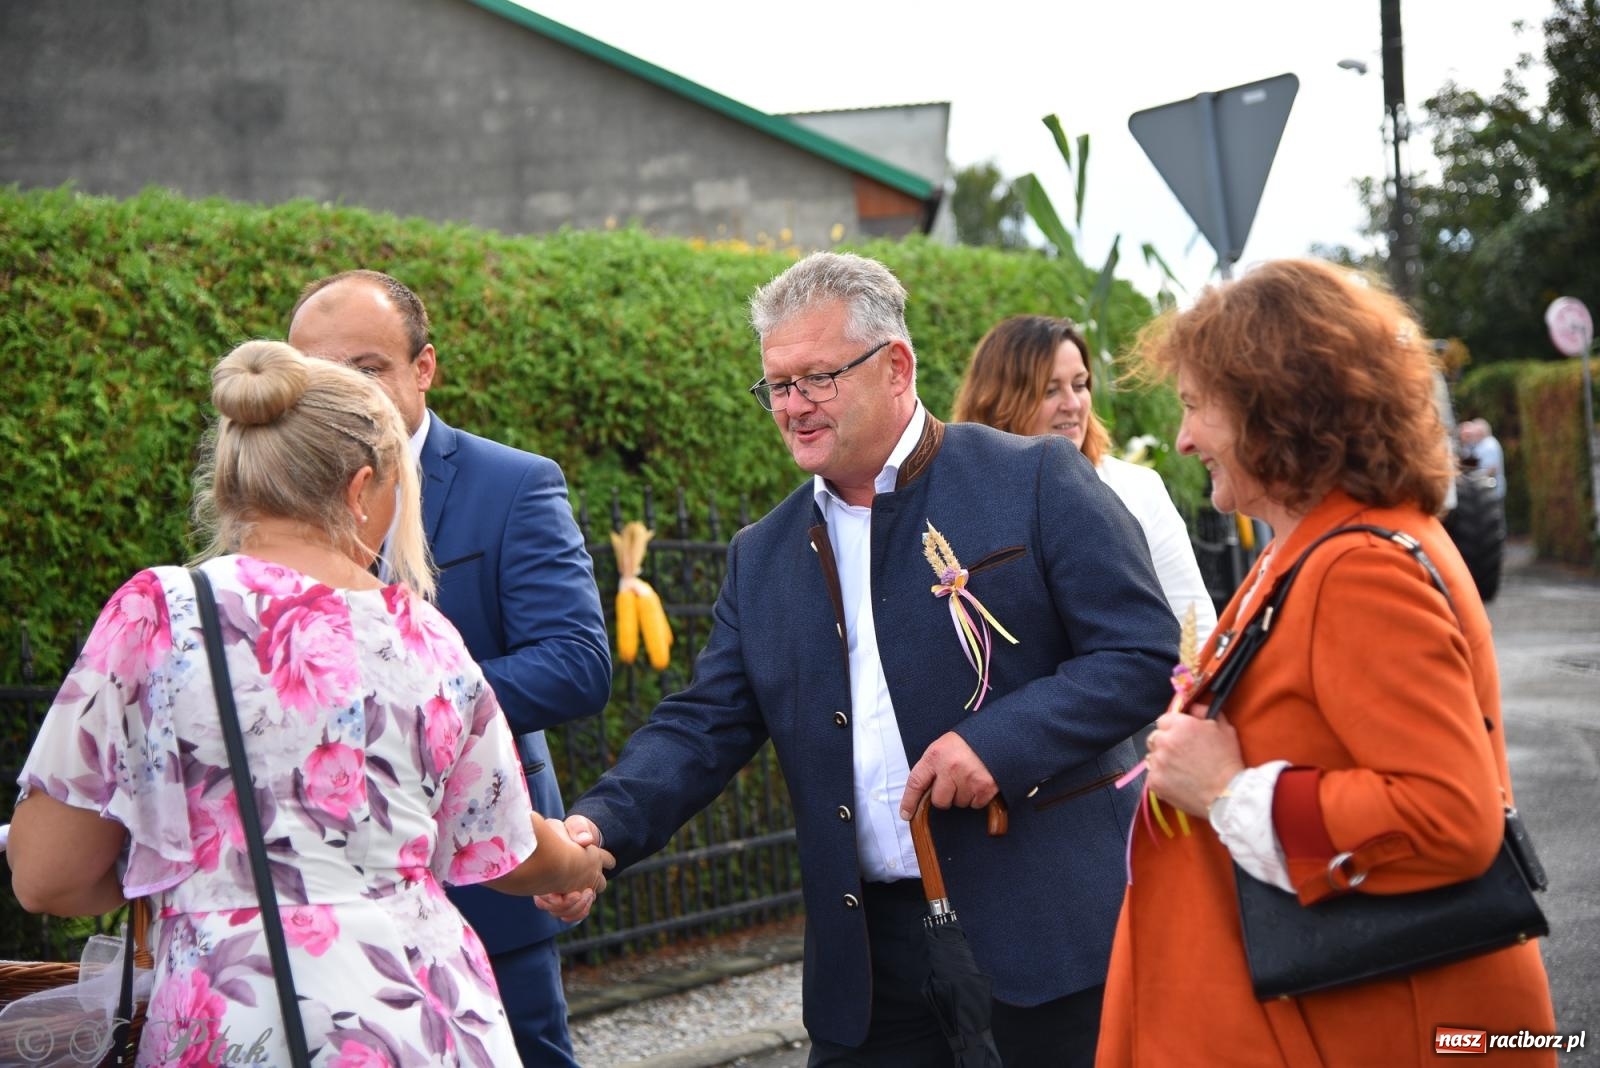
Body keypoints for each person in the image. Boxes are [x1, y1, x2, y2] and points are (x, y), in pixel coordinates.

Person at [542, 252, 1180, 1067]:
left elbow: (1140, 653)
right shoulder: (761, 555)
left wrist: (998, 743)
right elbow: (702, 725)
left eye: (818, 378)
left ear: (896, 367)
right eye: (778, 384)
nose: (793, 406)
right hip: (871, 969)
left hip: (1047, 938)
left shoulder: (1034, 478)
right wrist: (599, 826)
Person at [8, 340, 608, 1066]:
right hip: (428, 1020)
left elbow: (47, 876)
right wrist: (577, 866)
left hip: (238, 1021)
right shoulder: (425, 636)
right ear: (362, 488)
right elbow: (504, 845)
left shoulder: (160, 613)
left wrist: (186, 867)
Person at [1098, 260, 1556, 1066]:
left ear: (1275, 408)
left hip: (1375, 1026)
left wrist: (1229, 791)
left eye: (1197, 406)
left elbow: (1448, 818)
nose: (1183, 438)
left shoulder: (1358, 567)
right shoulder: (1323, 542)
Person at [286, 270, 612, 1068]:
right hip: (322, 888)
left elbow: (576, 664)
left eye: (366, 368)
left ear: (423, 367)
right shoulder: (277, 508)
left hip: (484, 873)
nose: (342, 392)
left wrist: (408, 702)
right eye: (318, 374)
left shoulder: (512, 484)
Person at [952, 315, 1217, 644]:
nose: (1073, 404)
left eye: (1079, 385)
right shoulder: (962, 501)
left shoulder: (1138, 489)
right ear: (999, 401)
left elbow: (1195, 628)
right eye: (1050, 390)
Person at [1462, 418, 1508, 501]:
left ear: (1480, 433)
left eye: (1473, 433)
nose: (1472, 437)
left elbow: (1491, 470)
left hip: (1492, 494)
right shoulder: (1481, 445)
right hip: (1488, 493)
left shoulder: (1489, 445)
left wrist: (1470, 478)